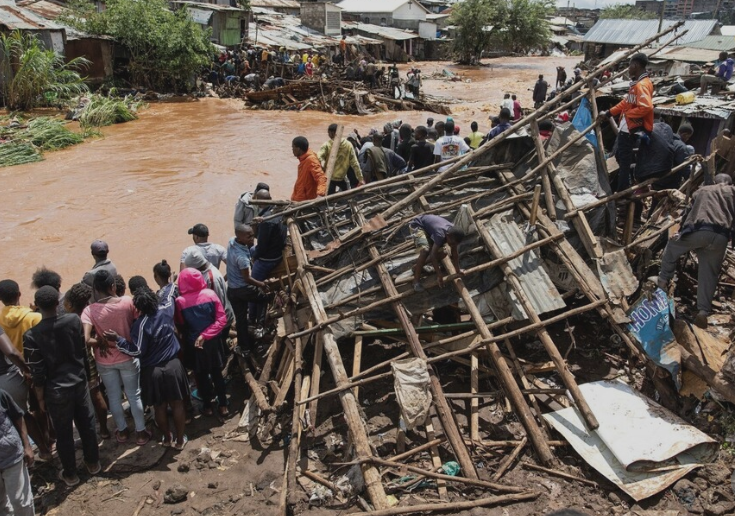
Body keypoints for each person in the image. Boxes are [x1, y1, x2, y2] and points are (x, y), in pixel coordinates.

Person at [24, 286, 100, 487]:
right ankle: (93, 464)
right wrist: (86, 376)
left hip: (56, 391)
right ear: (58, 303)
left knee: (64, 433)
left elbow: (38, 374)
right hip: (78, 382)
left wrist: (40, 399)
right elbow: (83, 352)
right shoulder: (73, 320)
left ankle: (71, 475)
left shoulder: (31, 335)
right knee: (87, 424)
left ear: (37, 306)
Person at [105, 286, 189, 450]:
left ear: (138, 308)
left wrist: (118, 340)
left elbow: (136, 351)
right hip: (173, 366)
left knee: (160, 407)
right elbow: (172, 289)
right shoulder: (166, 308)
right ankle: (180, 441)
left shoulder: (141, 325)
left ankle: (166, 437)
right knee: (178, 405)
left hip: (153, 371)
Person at [657, 174, 735, 329]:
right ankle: (703, 311)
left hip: (700, 230)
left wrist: (681, 232)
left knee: (673, 246)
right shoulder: (733, 192)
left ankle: (662, 281)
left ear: (715, 181)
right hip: (721, 237)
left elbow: (688, 213)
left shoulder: (702, 190)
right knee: (709, 273)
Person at [82, 270, 149, 445]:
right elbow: (139, 323)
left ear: (95, 289)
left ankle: (123, 432)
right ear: (113, 286)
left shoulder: (89, 310)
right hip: (127, 356)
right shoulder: (127, 302)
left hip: (104, 361)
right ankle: (141, 433)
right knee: (134, 395)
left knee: (113, 397)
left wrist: (101, 342)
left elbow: (86, 339)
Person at [0, 280, 52, 461]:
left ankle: (41, 444)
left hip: (19, 373)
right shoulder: (33, 317)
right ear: (19, 294)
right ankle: (48, 441)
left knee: (28, 410)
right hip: (31, 369)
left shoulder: (1, 318)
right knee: (40, 406)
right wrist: (28, 369)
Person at [175, 268, 229, 421]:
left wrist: (198, 336)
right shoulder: (211, 295)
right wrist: (206, 334)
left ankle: (207, 406)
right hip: (213, 342)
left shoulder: (180, 302)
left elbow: (180, 323)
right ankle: (223, 406)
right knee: (217, 374)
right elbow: (221, 320)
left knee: (201, 376)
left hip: (195, 344)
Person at [597, 53, 654, 192]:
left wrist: (628, 114)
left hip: (629, 128)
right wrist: (609, 113)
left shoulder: (641, 85)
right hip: (629, 127)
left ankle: (623, 189)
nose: (628, 69)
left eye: (630, 65)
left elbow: (647, 107)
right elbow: (626, 102)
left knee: (624, 160)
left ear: (636, 65)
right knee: (622, 158)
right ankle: (623, 185)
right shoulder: (639, 84)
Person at [63, 282, 109, 439]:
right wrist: (100, 342)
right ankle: (104, 429)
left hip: (71, 364)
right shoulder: (89, 315)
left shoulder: (67, 320)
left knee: (78, 400)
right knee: (96, 393)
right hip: (89, 361)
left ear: (69, 303)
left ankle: (86, 435)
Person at [226, 225, 270, 358]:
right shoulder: (242, 258)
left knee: (240, 320)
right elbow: (247, 279)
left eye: (252, 234)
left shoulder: (231, 242)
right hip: (242, 289)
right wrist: (261, 284)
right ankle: (260, 328)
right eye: (249, 236)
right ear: (240, 237)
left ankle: (244, 348)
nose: (252, 238)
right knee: (263, 298)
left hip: (232, 290)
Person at [250, 201, 287, 329]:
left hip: (268, 259)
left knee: (254, 287)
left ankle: (254, 318)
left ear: (259, 202)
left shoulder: (266, 222)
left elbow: (261, 248)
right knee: (251, 250)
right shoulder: (280, 214)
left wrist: (255, 258)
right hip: (277, 254)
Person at [0, 387, 34, 516]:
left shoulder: (1, 394)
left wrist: (27, 446)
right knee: (1, 506)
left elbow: (18, 416)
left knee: (21, 502)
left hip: (11, 456)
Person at [409, 214, 466, 292]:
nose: (452, 245)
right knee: (425, 251)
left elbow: (454, 254)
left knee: (443, 253)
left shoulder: (453, 233)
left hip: (430, 229)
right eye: (452, 243)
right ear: (447, 236)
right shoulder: (440, 234)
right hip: (418, 226)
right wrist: (439, 275)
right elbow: (433, 256)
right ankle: (416, 281)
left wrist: (458, 270)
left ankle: (416, 267)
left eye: (455, 244)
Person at [183, 247, 234, 328]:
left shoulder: (211, 279)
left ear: (196, 267)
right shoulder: (206, 271)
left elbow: (218, 304)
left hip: (220, 321)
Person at [317, 124, 364, 194]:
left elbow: (318, 158)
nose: (328, 135)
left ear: (332, 133)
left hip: (330, 178)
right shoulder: (348, 144)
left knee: (329, 199)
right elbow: (355, 163)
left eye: (328, 133)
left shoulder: (327, 145)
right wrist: (360, 179)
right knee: (347, 196)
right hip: (342, 177)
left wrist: (323, 169)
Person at [291, 136, 327, 202]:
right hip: (299, 197)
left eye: (293, 147)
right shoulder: (303, 159)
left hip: (305, 201)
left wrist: (320, 194)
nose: (292, 150)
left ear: (298, 149)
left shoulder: (311, 160)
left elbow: (321, 177)